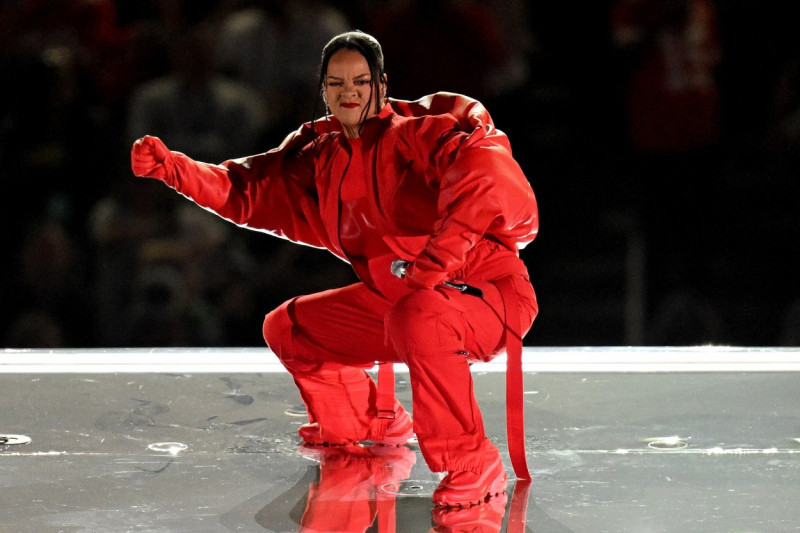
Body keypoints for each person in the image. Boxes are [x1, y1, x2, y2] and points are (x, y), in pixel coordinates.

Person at [131, 30, 539, 508]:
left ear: (381, 86)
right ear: (322, 89)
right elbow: (248, 190)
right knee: (291, 327)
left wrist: (437, 261)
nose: (349, 92)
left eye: (361, 81)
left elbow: (487, 174)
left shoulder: (420, 132)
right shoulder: (318, 155)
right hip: (404, 301)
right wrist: (173, 169)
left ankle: (473, 462)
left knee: (419, 315)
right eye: (337, 82)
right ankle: (368, 426)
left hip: (486, 294)